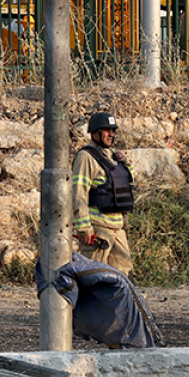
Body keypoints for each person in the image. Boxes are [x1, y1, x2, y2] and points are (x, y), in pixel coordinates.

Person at [72, 112, 135, 275]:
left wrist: (126, 163)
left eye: (113, 130)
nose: (111, 134)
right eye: (106, 130)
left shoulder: (114, 156)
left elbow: (127, 183)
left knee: (122, 277)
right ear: (95, 132)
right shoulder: (85, 157)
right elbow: (79, 194)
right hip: (98, 230)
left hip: (118, 229)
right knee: (94, 276)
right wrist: (84, 228)